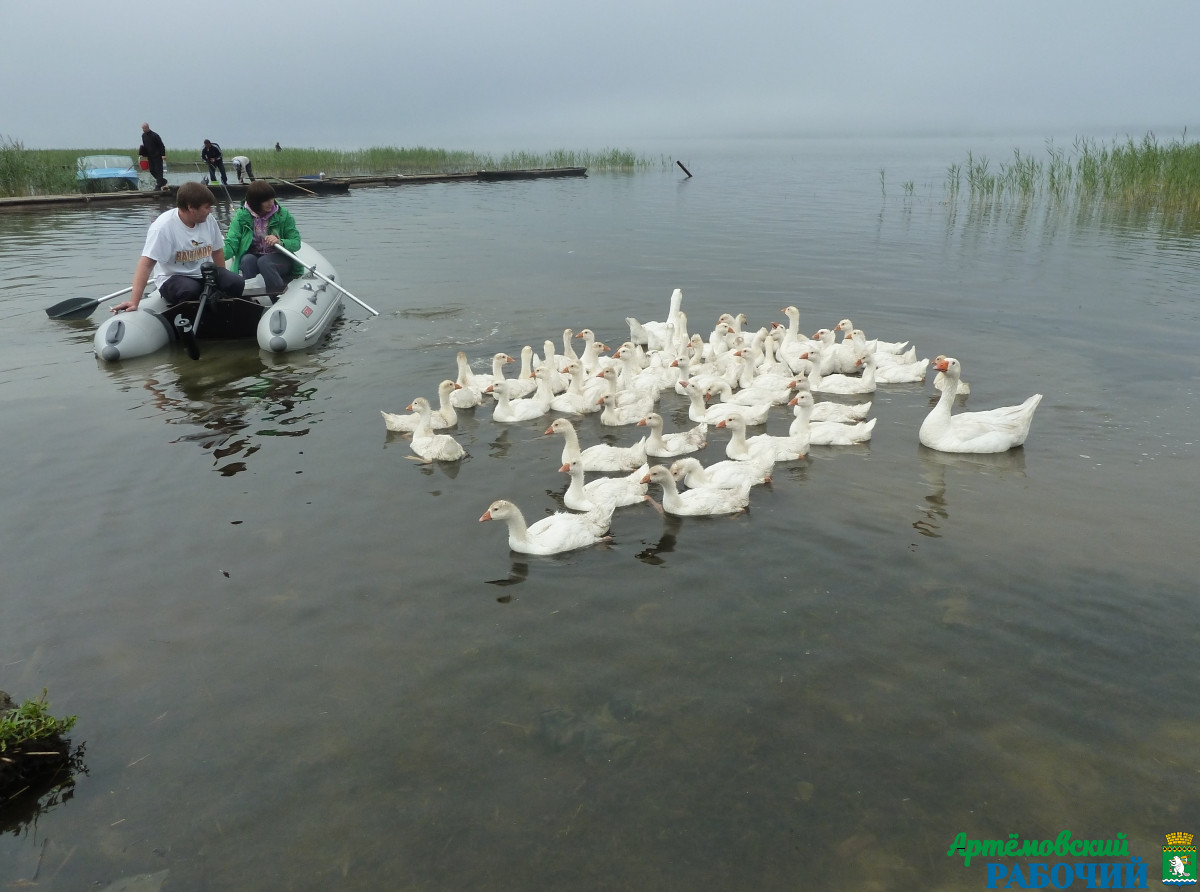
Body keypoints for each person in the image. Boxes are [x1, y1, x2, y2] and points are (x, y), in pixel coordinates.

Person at [112, 181, 264, 313]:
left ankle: (226, 310)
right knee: (191, 290)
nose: (210, 211)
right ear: (191, 207)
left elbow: (217, 251)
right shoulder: (163, 228)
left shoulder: (208, 220)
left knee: (236, 282)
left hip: (204, 274)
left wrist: (221, 277)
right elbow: (145, 265)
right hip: (173, 278)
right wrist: (134, 301)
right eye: (206, 207)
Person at [223, 180, 302, 294]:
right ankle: (250, 295)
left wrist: (280, 242)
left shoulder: (283, 215)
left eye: (272, 198)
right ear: (255, 202)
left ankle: (278, 295)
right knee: (247, 260)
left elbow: (296, 242)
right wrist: (216, 256)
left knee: (265, 262)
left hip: (280, 258)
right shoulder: (241, 216)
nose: (271, 203)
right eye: (266, 200)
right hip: (254, 256)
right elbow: (232, 243)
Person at [138, 122, 168, 191]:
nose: (143, 130)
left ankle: (158, 186)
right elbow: (145, 146)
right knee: (152, 170)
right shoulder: (143, 136)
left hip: (157, 156)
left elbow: (161, 146)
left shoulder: (155, 135)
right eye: (142, 129)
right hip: (150, 156)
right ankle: (163, 181)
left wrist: (163, 155)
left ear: (148, 127)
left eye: (144, 128)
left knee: (158, 170)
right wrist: (142, 152)